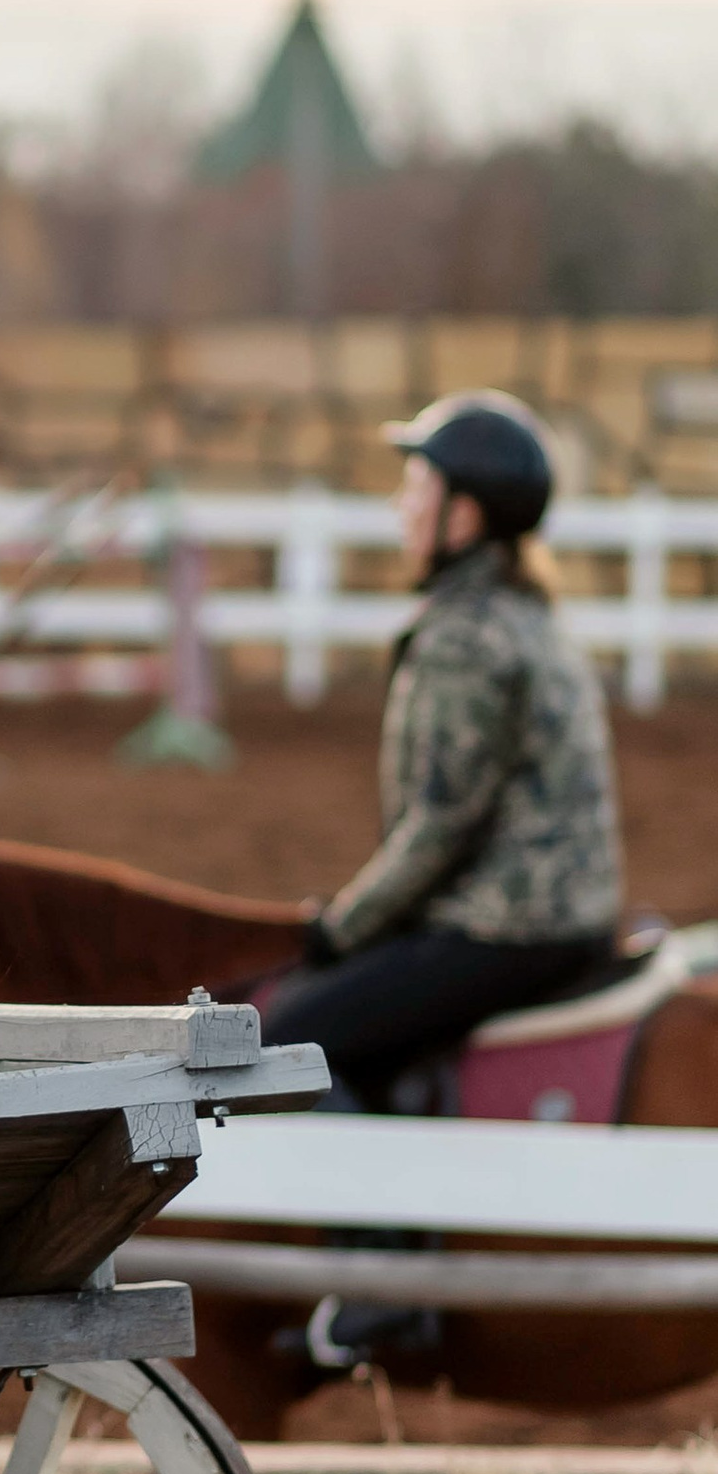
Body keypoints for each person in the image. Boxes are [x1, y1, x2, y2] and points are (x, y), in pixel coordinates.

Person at [264, 391, 624, 1106]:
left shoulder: (462, 638)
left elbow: (440, 825)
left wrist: (340, 930)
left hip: (508, 929)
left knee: (287, 1040)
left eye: (416, 489)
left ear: (462, 516)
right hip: (575, 920)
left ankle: (371, 1220)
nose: (401, 507)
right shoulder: (526, 613)